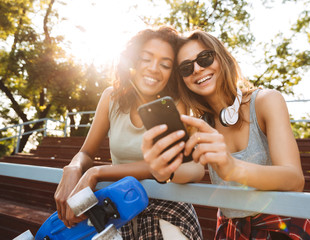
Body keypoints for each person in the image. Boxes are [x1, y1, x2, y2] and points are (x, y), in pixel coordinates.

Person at [144, 30, 310, 239]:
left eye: (204, 58)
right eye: (186, 68)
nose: (197, 69)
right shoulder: (201, 125)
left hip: (282, 226)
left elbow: (294, 179)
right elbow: (192, 171)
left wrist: (232, 168)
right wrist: (162, 172)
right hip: (230, 230)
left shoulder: (266, 101)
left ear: (222, 57)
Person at [54, 26, 204, 240]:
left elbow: (170, 166)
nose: (154, 68)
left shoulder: (176, 104)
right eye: (146, 58)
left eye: (165, 64)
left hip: (168, 208)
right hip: (122, 210)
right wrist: (74, 167)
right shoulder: (111, 98)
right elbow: (86, 153)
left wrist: (97, 173)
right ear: (133, 60)